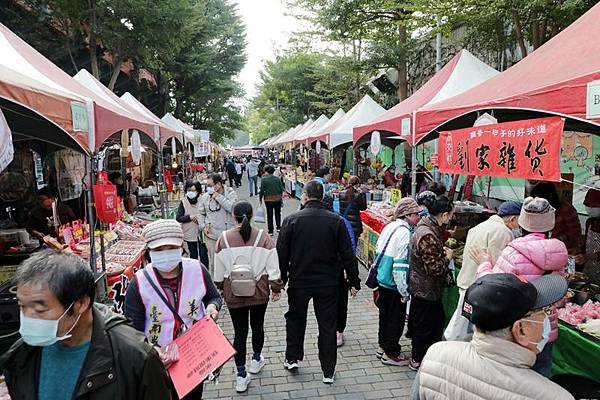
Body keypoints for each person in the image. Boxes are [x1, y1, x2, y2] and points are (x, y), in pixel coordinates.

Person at [1, 251, 172, 399]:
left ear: (81, 303)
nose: (28, 317)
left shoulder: (135, 358)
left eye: (39, 309)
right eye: (22, 307)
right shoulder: (20, 355)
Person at [410, 273, 574, 400]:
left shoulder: (436, 354)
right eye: (543, 312)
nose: (547, 317)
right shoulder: (555, 396)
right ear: (521, 330)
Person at [124, 219, 222, 399]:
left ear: (181, 247)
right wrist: (152, 350)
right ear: (149, 252)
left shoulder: (197, 269)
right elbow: (131, 329)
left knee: (193, 395)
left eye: (171, 248)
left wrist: (212, 307)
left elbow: (214, 297)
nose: (165, 253)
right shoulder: (139, 282)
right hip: (159, 361)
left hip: (194, 354)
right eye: (159, 250)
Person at [277, 180, 361, 384]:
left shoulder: (291, 220)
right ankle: (328, 370)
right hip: (328, 283)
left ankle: (292, 357)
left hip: (300, 281)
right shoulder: (336, 221)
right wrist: (354, 280)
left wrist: (282, 280)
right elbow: (348, 255)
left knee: (296, 319)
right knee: (327, 325)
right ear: (322, 197)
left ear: (305, 196)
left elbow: (281, 254)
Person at [475, 196, 568, 377]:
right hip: (545, 329)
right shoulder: (558, 254)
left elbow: (493, 291)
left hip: (519, 329)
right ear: (550, 225)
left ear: (522, 223)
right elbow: (558, 295)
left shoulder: (513, 252)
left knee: (515, 379)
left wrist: (484, 265)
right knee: (541, 377)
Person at [213, 201, 284, 393]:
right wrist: (276, 288)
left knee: (240, 332)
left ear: (233, 216)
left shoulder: (223, 239)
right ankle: (256, 359)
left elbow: (218, 272)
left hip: (233, 293)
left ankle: (241, 375)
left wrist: (218, 288)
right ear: (252, 215)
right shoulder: (263, 237)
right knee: (257, 326)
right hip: (259, 292)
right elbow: (273, 267)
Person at [445, 200, 522, 341]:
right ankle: (453, 352)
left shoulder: (481, 226)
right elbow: (499, 265)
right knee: (463, 330)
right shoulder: (503, 232)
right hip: (480, 287)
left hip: (467, 281)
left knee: (460, 323)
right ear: (513, 218)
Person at [408, 194, 454, 371]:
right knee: (426, 326)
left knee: (426, 323)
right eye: (450, 215)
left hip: (422, 287)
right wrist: (447, 256)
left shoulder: (426, 227)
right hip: (425, 289)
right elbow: (434, 268)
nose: (451, 219)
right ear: (443, 215)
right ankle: (418, 359)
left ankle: (419, 357)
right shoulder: (427, 234)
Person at [375, 197, 422, 365]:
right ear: (408, 215)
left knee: (385, 317)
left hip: (383, 280)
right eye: (416, 214)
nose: (419, 217)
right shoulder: (404, 233)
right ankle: (391, 353)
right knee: (395, 319)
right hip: (394, 284)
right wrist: (404, 291)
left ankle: (383, 346)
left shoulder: (390, 226)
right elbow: (400, 266)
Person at [335, 176, 367, 346]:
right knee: (350, 254)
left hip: (344, 225)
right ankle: (339, 332)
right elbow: (364, 208)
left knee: (346, 252)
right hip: (354, 227)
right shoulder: (357, 195)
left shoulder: (340, 194)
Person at [198, 173, 238, 274]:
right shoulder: (205, 197)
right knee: (214, 263)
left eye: (210, 185)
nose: (208, 188)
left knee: (229, 262)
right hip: (211, 235)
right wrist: (203, 227)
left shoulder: (230, 193)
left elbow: (232, 209)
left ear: (218, 184)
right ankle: (216, 286)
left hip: (228, 235)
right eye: (207, 186)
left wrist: (219, 197)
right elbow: (200, 213)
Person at [531, 182, 581, 253]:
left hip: (563, 250)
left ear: (550, 197)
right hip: (542, 250)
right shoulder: (537, 209)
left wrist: (556, 240)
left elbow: (575, 232)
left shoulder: (566, 209)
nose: (538, 203)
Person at [575, 188, 600, 283]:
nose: (590, 209)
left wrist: (588, 256)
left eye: (594, 206)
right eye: (587, 205)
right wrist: (579, 252)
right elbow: (586, 243)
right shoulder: (589, 222)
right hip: (589, 268)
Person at [176, 181, 203, 260]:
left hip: (202, 232)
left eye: (193, 190)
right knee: (193, 254)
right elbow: (179, 218)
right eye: (189, 190)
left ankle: (204, 270)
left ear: (198, 191)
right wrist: (190, 217)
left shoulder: (203, 200)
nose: (191, 192)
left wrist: (199, 218)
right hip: (189, 233)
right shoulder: (184, 202)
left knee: (203, 254)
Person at [259, 165, 285, 235]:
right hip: (277, 199)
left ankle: (270, 231)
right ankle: (278, 227)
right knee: (278, 213)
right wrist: (281, 197)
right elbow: (281, 189)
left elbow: (262, 191)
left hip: (268, 199)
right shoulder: (277, 179)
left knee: (269, 215)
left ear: (267, 171)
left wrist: (260, 199)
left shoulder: (264, 180)